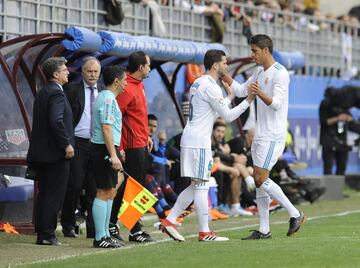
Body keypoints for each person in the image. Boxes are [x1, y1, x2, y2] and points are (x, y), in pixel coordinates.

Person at [159, 49, 255, 242]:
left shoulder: (199, 83)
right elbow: (227, 116)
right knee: (202, 185)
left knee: (197, 186)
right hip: (199, 142)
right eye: (225, 63)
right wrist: (248, 100)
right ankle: (204, 232)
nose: (227, 66)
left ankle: (169, 221)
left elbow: (210, 110)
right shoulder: (211, 86)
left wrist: (228, 99)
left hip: (192, 138)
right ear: (215, 65)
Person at [223, 34, 306, 240]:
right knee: (260, 183)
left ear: (266, 50)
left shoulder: (280, 73)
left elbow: (276, 103)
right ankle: (263, 230)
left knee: (260, 178)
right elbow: (242, 90)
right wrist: (224, 74)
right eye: (251, 51)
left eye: (255, 51)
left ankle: (295, 213)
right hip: (260, 133)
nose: (252, 55)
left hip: (273, 134)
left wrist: (259, 93)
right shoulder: (258, 71)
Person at [27, 57, 74, 246]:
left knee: (45, 193)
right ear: (55, 74)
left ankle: (42, 231)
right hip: (55, 154)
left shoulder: (43, 92)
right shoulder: (56, 93)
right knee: (53, 194)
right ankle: (47, 234)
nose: (68, 72)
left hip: (43, 153)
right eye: (64, 69)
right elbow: (56, 121)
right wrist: (66, 144)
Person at [109, 51, 155, 243]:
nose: (150, 68)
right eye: (149, 65)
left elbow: (138, 116)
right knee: (132, 188)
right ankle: (130, 228)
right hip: (130, 147)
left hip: (140, 143)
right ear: (141, 67)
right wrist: (119, 147)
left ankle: (119, 224)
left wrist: (146, 136)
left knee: (135, 187)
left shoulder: (139, 86)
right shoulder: (126, 88)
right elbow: (115, 117)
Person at [60, 56, 100, 239]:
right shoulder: (72, 90)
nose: (92, 75)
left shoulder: (104, 93)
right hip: (78, 142)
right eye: (89, 71)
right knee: (74, 185)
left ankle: (93, 229)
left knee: (94, 189)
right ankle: (68, 224)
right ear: (82, 72)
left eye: (95, 71)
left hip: (97, 144)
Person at [90, 65, 127, 248]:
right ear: (117, 81)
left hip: (107, 148)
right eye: (125, 80)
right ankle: (100, 237)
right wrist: (113, 154)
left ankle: (105, 234)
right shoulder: (107, 99)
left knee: (110, 191)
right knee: (104, 191)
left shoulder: (108, 98)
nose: (126, 83)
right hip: (102, 149)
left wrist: (116, 149)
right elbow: (106, 128)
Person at [319, 88, 353, 175]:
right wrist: (338, 118)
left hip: (341, 140)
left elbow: (350, 119)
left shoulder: (343, 105)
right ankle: (329, 187)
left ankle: (339, 187)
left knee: (342, 167)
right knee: (328, 166)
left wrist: (347, 118)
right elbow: (324, 122)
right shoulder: (325, 105)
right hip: (328, 140)